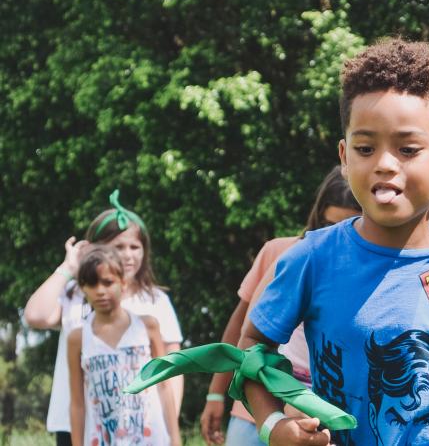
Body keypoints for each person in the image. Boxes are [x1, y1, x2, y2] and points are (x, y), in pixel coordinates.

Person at [239, 38, 429, 446]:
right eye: (365, 148)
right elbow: (253, 345)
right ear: (344, 157)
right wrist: (272, 425)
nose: (384, 163)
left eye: (408, 149)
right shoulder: (312, 258)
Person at [199, 166, 360, 445]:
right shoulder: (281, 252)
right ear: (316, 215)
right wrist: (216, 392)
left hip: (321, 419)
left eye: (350, 226)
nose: (336, 237)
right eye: (328, 225)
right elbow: (241, 327)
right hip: (257, 412)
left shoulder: (372, 278)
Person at [23, 190, 184, 446]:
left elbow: (172, 372)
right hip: (76, 426)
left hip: (141, 429)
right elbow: (35, 315)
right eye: (118, 246)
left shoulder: (155, 302)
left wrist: (167, 426)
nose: (128, 255)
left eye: (135, 247)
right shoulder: (75, 295)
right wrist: (69, 268)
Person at [67, 245, 181, 446]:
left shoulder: (148, 326)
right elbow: (77, 403)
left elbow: (164, 386)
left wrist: (175, 437)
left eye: (107, 282)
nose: (100, 291)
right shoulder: (78, 338)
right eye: (92, 284)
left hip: (151, 439)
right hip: (103, 440)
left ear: (123, 282)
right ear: (83, 288)